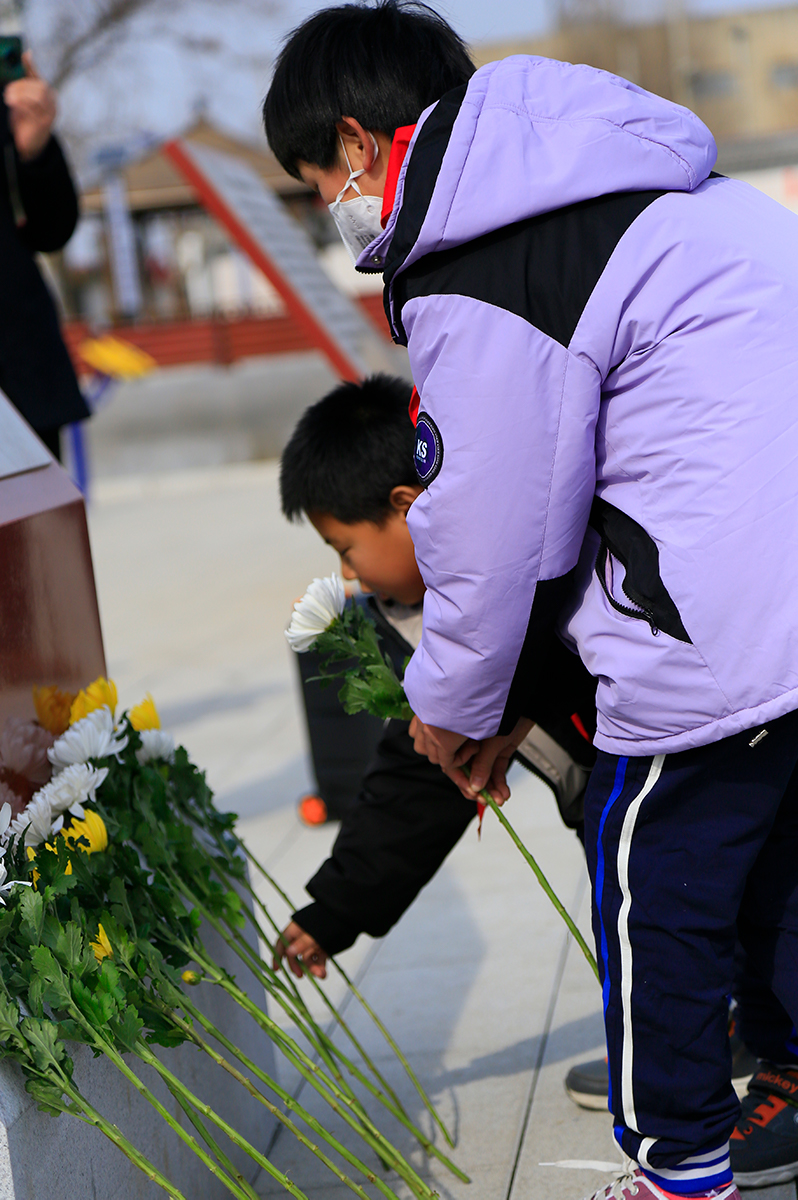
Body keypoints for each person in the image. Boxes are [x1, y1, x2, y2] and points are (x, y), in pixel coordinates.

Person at [264, 4, 798, 1196]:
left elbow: (499, 534)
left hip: (711, 628)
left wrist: (451, 705)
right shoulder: (632, 177)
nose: (330, 213)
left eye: (316, 183)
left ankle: (679, 1164)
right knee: (775, 864)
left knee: (649, 886)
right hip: (781, 593)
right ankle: (788, 1082)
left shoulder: (479, 257)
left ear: (358, 143)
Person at [276, 373, 595, 973]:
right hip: (604, 806)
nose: (345, 574)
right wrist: (336, 909)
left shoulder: (528, 572)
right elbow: (417, 777)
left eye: (345, 548)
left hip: (660, 770)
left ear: (406, 506)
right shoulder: (414, 625)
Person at [0, 52, 88, 460]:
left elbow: (51, 230)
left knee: (35, 522)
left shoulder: (7, 99)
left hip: (18, 377)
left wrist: (34, 152)